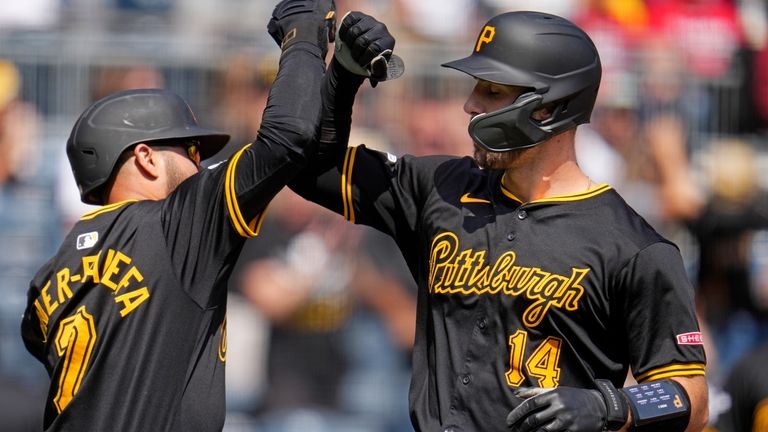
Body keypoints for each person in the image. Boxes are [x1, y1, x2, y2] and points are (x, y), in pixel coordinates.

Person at [289, 10, 709, 432]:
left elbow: (690, 398)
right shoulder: (439, 185)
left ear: (548, 108)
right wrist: (343, 74)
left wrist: (611, 406)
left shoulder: (634, 246)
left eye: (491, 91)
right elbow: (308, 169)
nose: (470, 104)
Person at [19, 1, 336, 430]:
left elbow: (41, 343)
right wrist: (304, 34)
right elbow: (288, 138)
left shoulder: (51, 271)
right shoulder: (174, 226)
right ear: (146, 158)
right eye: (190, 152)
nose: (200, 166)